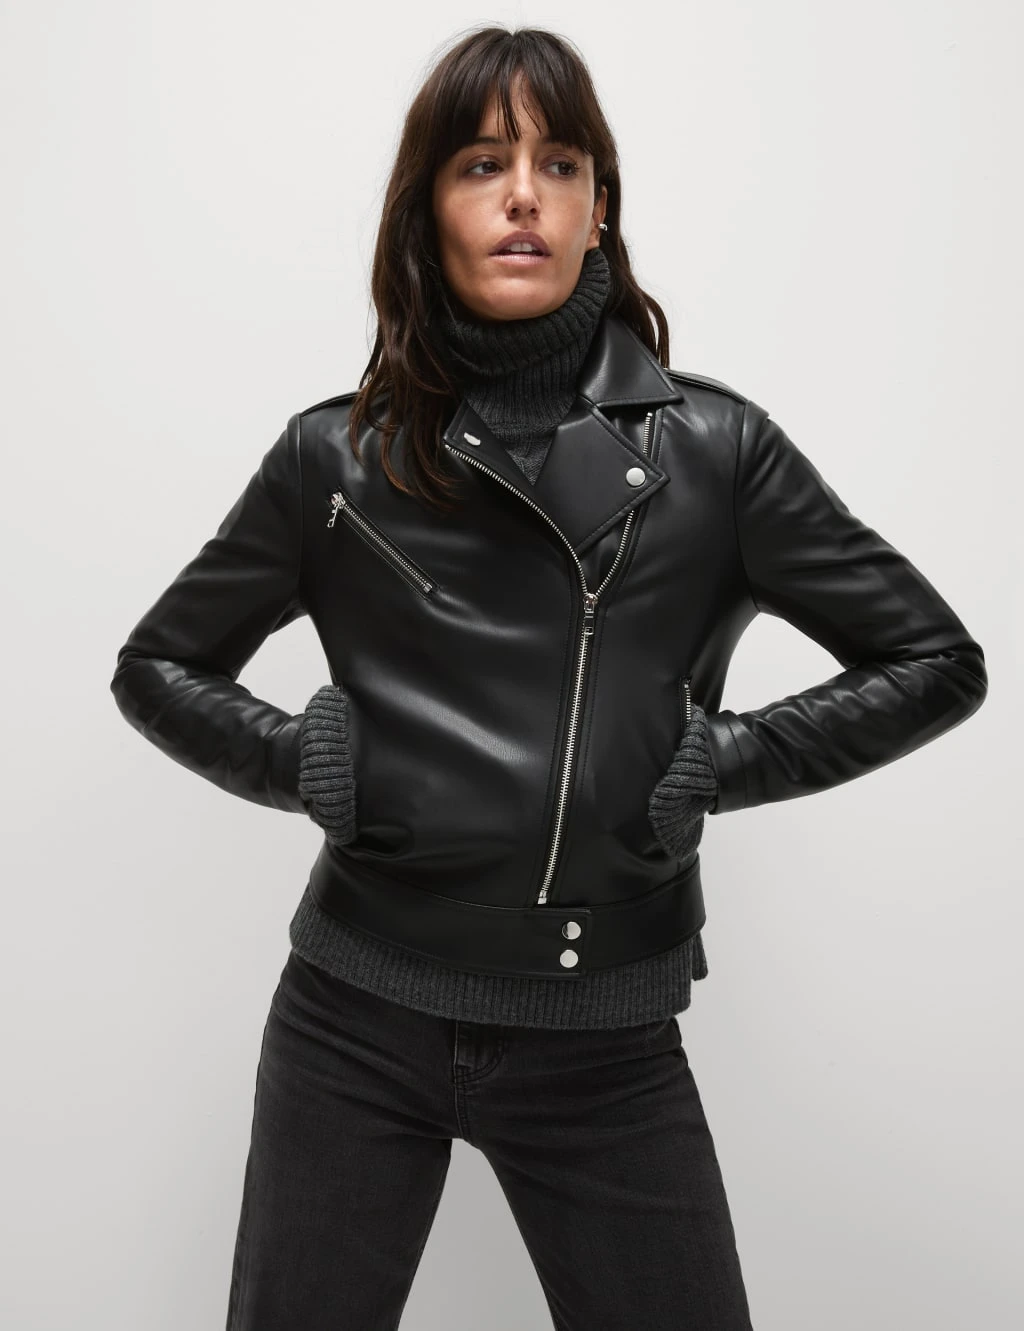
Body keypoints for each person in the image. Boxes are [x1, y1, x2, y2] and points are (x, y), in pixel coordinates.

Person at [108, 24, 988, 1331]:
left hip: (605, 1039)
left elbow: (934, 658)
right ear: (429, 210)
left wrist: (727, 760)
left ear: (598, 209)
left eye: (558, 162)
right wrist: (298, 759)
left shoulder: (718, 452)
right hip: (354, 1015)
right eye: (482, 163)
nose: (524, 194)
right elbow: (158, 662)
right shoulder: (330, 461)